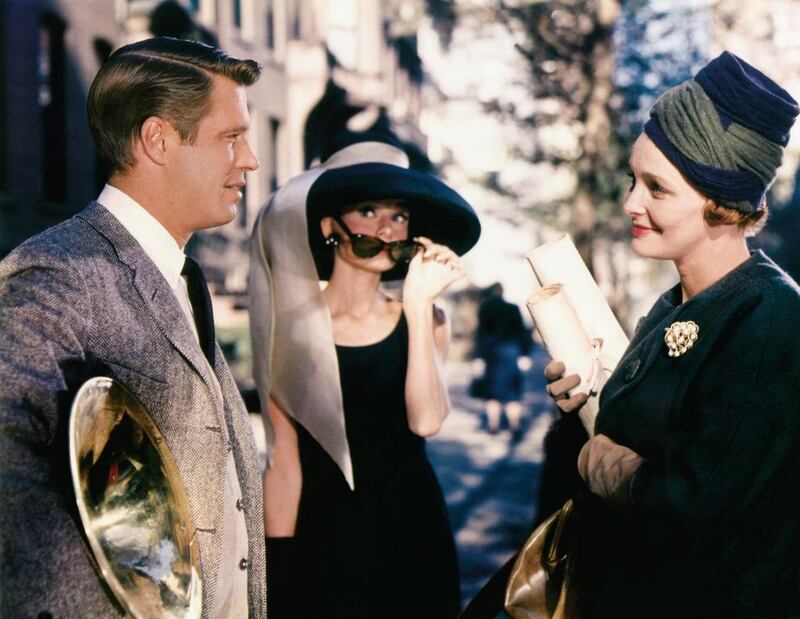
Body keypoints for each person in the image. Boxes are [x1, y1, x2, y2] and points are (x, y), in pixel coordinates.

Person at [0, 37, 266, 617]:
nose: (249, 160)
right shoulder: (60, 270)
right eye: (230, 137)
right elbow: (9, 482)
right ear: (157, 139)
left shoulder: (181, 275)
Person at [541, 51, 800, 618]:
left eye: (656, 188)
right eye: (632, 179)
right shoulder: (674, 305)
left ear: (721, 204)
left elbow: (698, 511)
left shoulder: (768, 317)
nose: (631, 201)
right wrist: (582, 408)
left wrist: (605, 465)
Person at [249, 133, 481, 618]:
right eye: (370, 211)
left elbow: (426, 421)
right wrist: (279, 567)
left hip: (411, 534)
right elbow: (284, 464)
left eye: (398, 215)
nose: (388, 229)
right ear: (331, 225)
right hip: (324, 540)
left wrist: (419, 306)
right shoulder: (286, 334)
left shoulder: (425, 318)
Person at [473, 282, 531, 433]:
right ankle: (514, 425)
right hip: (512, 351)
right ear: (501, 292)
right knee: (513, 392)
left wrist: (478, 357)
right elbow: (522, 333)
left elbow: (480, 334)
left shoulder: (485, 308)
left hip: (491, 354)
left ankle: (493, 425)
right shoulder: (513, 308)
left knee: (493, 392)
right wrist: (525, 354)